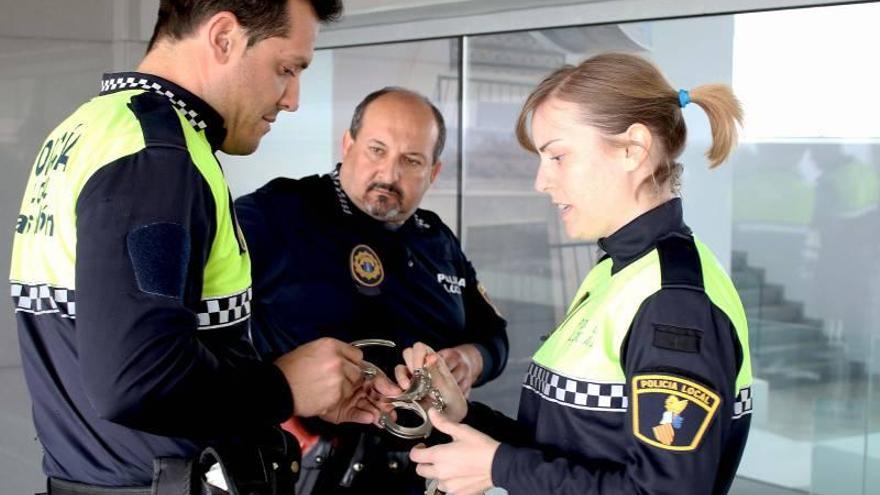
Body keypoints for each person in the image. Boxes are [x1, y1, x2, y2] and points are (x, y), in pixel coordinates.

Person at [8, 1, 398, 493]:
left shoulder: (91, 127)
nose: (293, 98)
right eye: (286, 69)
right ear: (223, 37)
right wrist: (281, 387)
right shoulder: (157, 158)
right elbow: (137, 378)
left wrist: (296, 388)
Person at [403, 52, 753, 495]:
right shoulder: (615, 273)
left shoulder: (673, 301)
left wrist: (501, 468)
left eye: (558, 157)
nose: (541, 181)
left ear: (633, 149)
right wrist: (463, 413)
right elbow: (569, 450)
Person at [234, 87, 509, 494]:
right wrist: (274, 386)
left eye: (411, 160)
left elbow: (494, 336)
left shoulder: (436, 239)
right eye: (377, 150)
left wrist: (472, 359)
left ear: (433, 172)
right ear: (348, 144)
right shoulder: (279, 213)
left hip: (425, 469)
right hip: (307, 468)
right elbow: (197, 325)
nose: (389, 174)